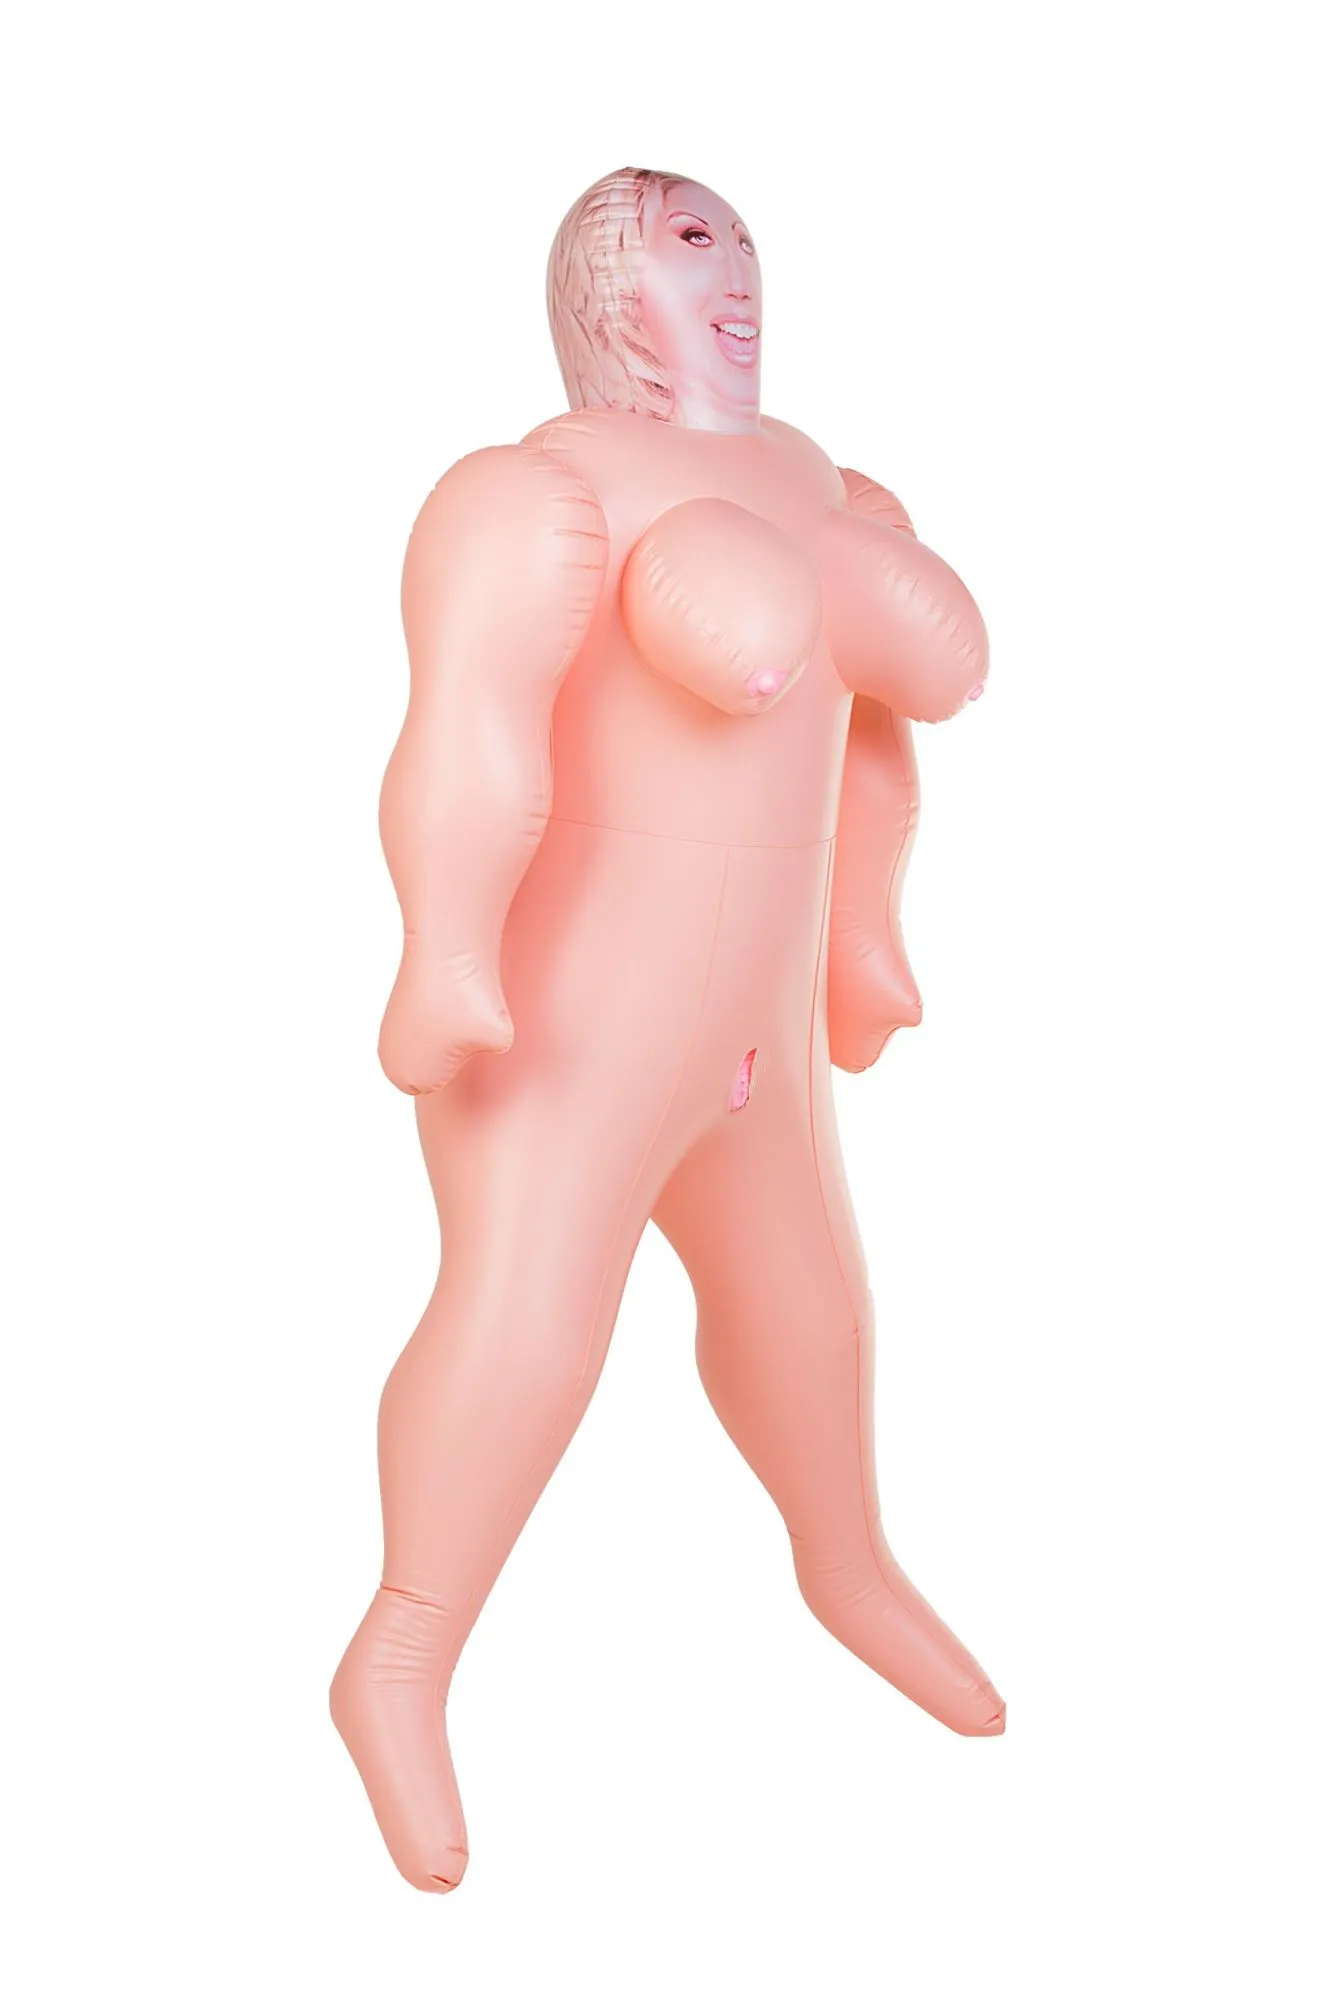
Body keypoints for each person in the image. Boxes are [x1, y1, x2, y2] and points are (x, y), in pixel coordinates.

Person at [330, 166, 1001, 1895]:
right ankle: (399, 1656)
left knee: (817, 1315)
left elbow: (867, 741)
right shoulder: (539, 492)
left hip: (752, 1053)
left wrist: (866, 942)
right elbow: (468, 726)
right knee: (532, 1334)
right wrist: (444, 955)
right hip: (567, 1034)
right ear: (608, 286)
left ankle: (847, 1570)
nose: (740, 272)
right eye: (696, 242)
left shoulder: (825, 489)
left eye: (747, 241)